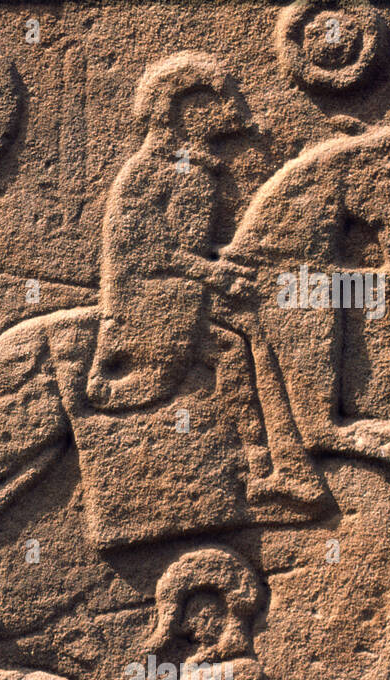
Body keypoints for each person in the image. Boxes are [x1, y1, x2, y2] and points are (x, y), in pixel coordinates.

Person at [86, 52, 254, 413]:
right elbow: (147, 252)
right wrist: (212, 273)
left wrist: (220, 262)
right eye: (212, 106)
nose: (227, 117)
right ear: (178, 111)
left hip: (183, 300)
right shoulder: (146, 172)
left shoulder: (193, 171)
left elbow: (187, 247)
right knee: (233, 351)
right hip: (149, 311)